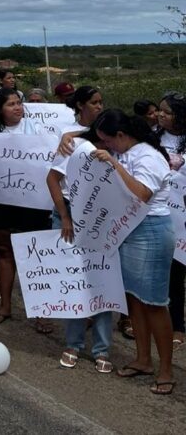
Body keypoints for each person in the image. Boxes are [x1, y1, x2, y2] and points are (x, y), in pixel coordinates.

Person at [87, 110, 176, 395]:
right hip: (128, 230)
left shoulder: (147, 155)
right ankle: (143, 359)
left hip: (150, 231)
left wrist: (114, 165)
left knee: (153, 303)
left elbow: (142, 193)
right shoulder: (128, 151)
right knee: (134, 301)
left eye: (108, 141)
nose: (106, 147)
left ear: (122, 136)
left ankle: (165, 370)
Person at [0, 88, 53, 334]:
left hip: (32, 202)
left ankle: (42, 310)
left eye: (19, 103)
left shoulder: (36, 130)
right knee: (4, 250)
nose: (17, 107)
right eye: (11, 104)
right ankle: (5, 306)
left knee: (35, 253)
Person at [46, 120, 115, 373]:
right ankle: (73, 344)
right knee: (72, 282)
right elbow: (52, 179)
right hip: (70, 218)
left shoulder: (119, 151)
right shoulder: (75, 146)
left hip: (102, 221)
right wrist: (65, 216)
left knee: (101, 283)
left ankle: (102, 349)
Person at [157, 91, 186, 350]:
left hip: (181, 217)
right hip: (153, 212)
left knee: (177, 273)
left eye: (166, 112)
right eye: (160, 111)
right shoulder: (150, 137)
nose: (160, 115)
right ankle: (129, 318)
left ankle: (178, 324)